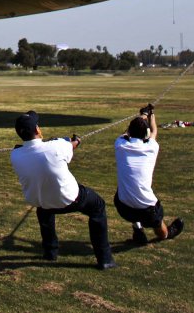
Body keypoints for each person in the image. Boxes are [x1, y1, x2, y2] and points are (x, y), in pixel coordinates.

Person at [9, 110, 116, 269]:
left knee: (44, 212)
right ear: (38, 130)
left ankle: (50, 252)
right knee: (98, 206)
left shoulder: (15, 154)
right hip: (70, 198)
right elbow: (70, 145)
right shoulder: (57, 146)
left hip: (42, 202)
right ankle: (105, 258)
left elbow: (40, 151)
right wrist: (76, 141)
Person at [113, 104, 184, 245]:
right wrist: (151, 116)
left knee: (125, 192)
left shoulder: (120, 145)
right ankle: (166, 233)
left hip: (124, 207)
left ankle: (138, 230)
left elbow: (126, 133)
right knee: (160, 228)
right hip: (147, 210)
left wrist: (143, 115)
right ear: (145, 133)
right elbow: (154, 131)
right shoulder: (152, 147)